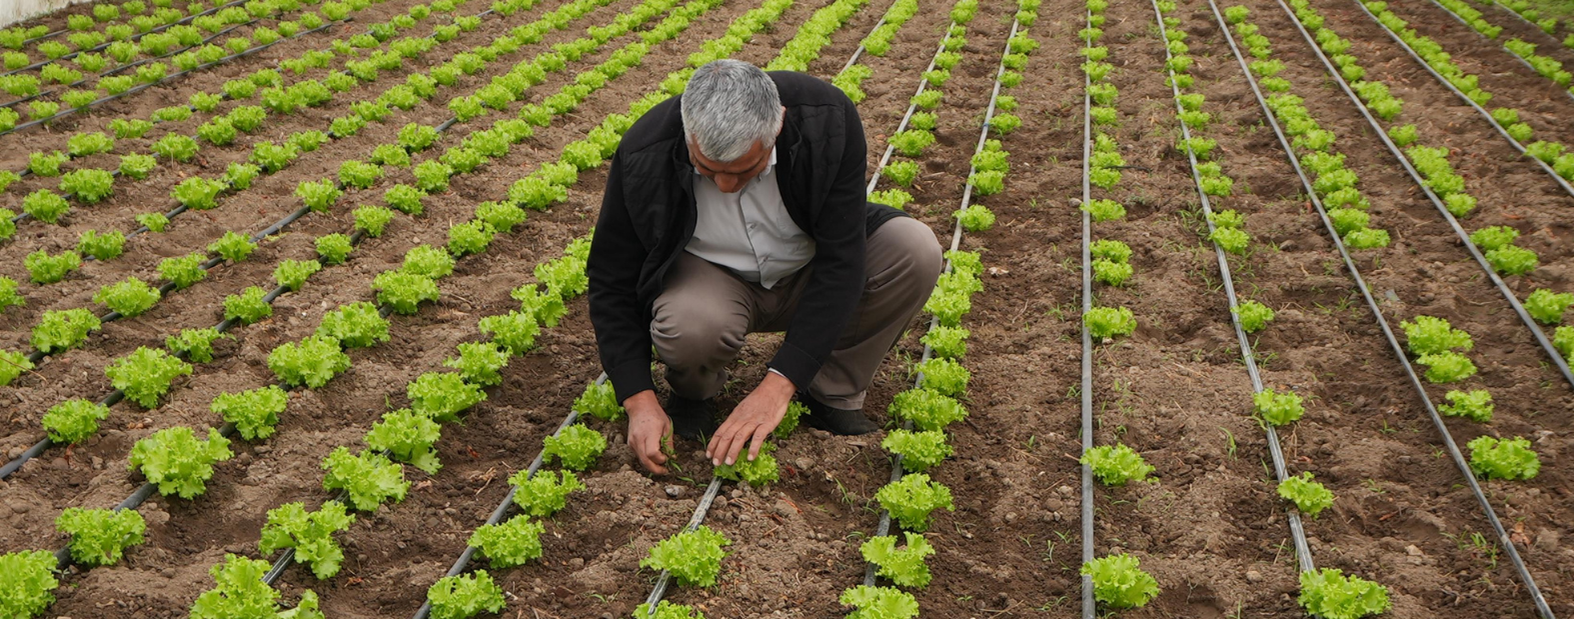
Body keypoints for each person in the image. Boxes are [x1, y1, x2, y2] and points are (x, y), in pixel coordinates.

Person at [587, 59, 942, 475]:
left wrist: (779, 385)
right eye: (707, 170)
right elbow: (611, 278)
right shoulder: (644, 152)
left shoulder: (826, 120)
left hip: (805, 263)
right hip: (711, 276)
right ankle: (694, 392)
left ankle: (830, 392)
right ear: (688, 133)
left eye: (743, 172)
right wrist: (638, 399)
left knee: (914, 249)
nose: (724, 185)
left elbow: (841, 259)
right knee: (691, 325)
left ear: (777, 129)